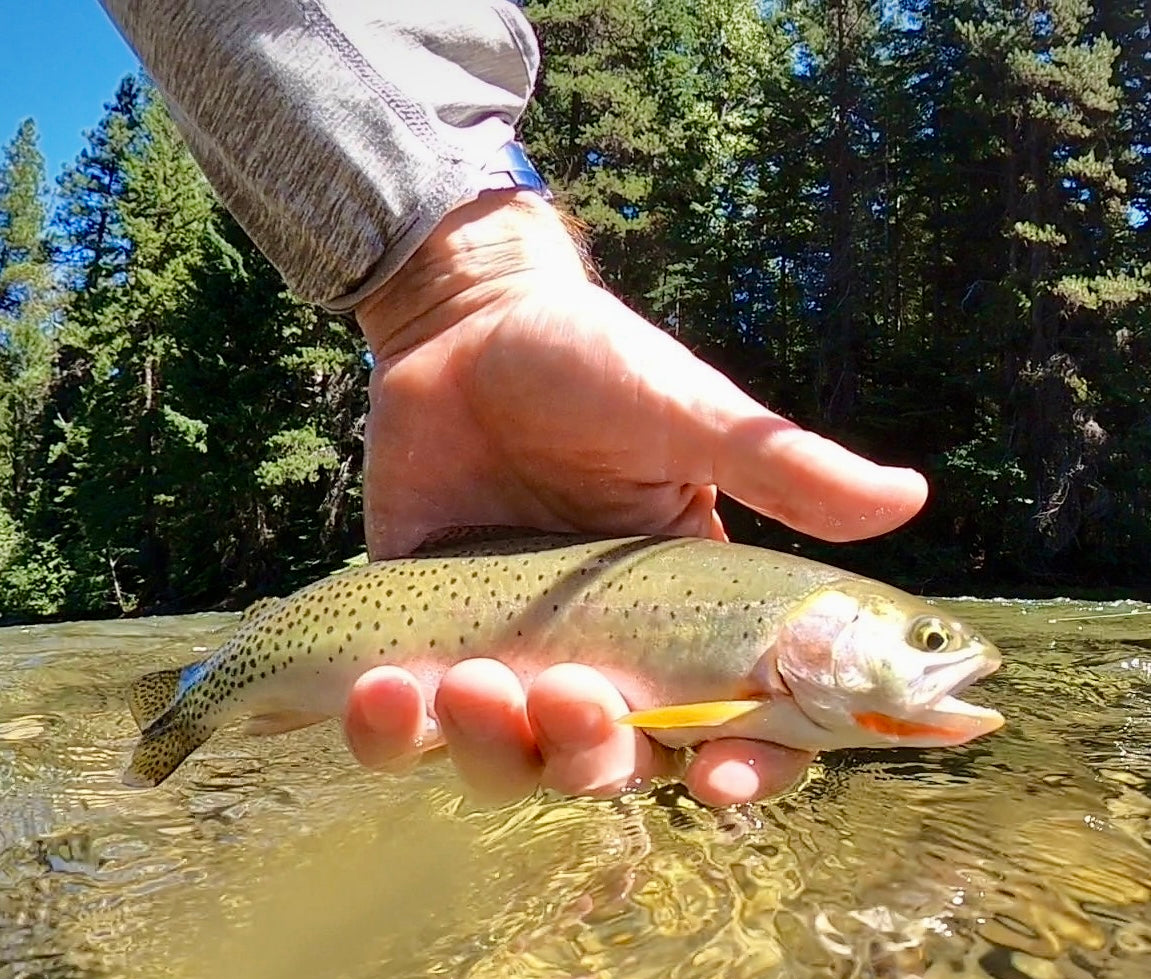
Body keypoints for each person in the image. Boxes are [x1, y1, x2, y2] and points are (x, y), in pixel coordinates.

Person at [99, 0, 927, 806]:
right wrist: (462, 294)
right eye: (925, 641)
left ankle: (191, 696)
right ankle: (192, 698)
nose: (945, 656)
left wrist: (454, 293)